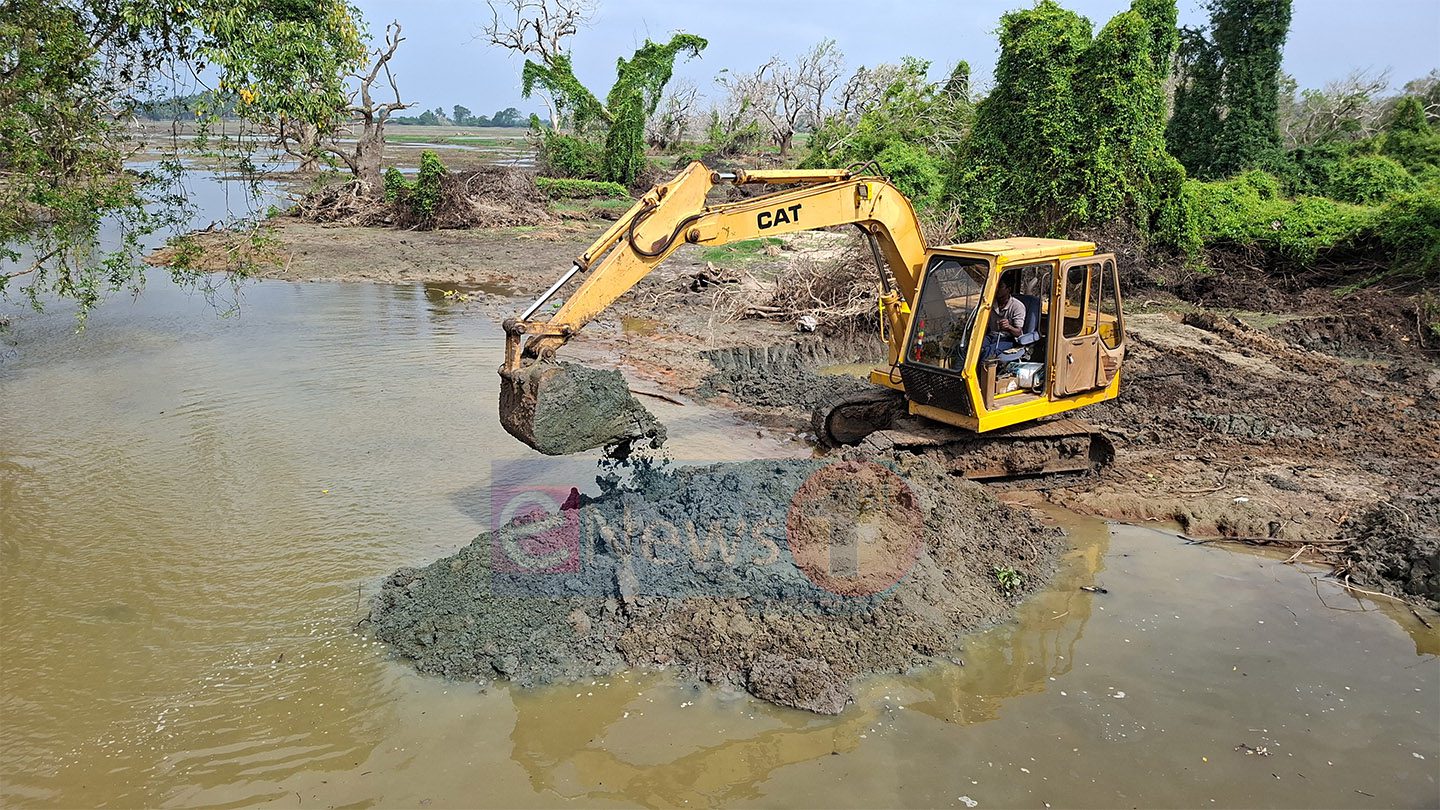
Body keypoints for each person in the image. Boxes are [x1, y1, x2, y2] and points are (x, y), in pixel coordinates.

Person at [980, 277, 1026, 360]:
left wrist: (1009, 327)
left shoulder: (1017, 306)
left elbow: (1018, 332)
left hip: (1008, 339)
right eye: (996, 286)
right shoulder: (990, 303)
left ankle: (981, 368)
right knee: (971, 349)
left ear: (1008, 289)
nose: (997, 289)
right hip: (991, 336)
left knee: (989, 351)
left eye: (1000, 287)